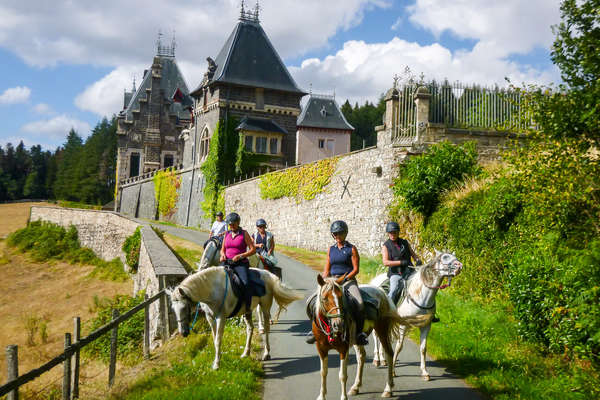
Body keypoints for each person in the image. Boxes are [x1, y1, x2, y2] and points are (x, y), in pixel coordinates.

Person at [306, 220, 369, 345]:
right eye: (335, 234)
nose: (337, 236)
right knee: (313, 302)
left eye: (340, 233)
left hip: (348, 281)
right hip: (332, 281)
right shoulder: (331, 249)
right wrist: (324, 281)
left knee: (360, 304)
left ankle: (359, 334)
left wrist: (344, 279)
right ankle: (315, 330)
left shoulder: (352, 249)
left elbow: (356, 269)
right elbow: (327, 269)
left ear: (345, 234)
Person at [220, 212, 256, 310]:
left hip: (240, 264)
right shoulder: (226, 234)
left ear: (238, 223)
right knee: (216, 280)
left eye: (233, 224)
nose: (231, 226)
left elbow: (253, 249)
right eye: (229, 224)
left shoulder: (244, 233)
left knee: (245, 283)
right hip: (226, 262)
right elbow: (223, 249)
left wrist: (240, 256)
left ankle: (247, 309)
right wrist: (222, 254)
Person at [382, 221, 421, 305]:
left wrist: (418, 260)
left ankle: (429, 311)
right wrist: (400, 262)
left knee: (423, 285)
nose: (393, 234)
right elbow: (385, 262)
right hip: (396, 273)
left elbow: (413, 254)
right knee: (394, 289)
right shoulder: (386, 245)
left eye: (394, 232)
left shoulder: (405, 243)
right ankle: (388, 309)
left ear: (398, 232)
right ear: (388, 234)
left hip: (409, 271)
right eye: (390, 233)